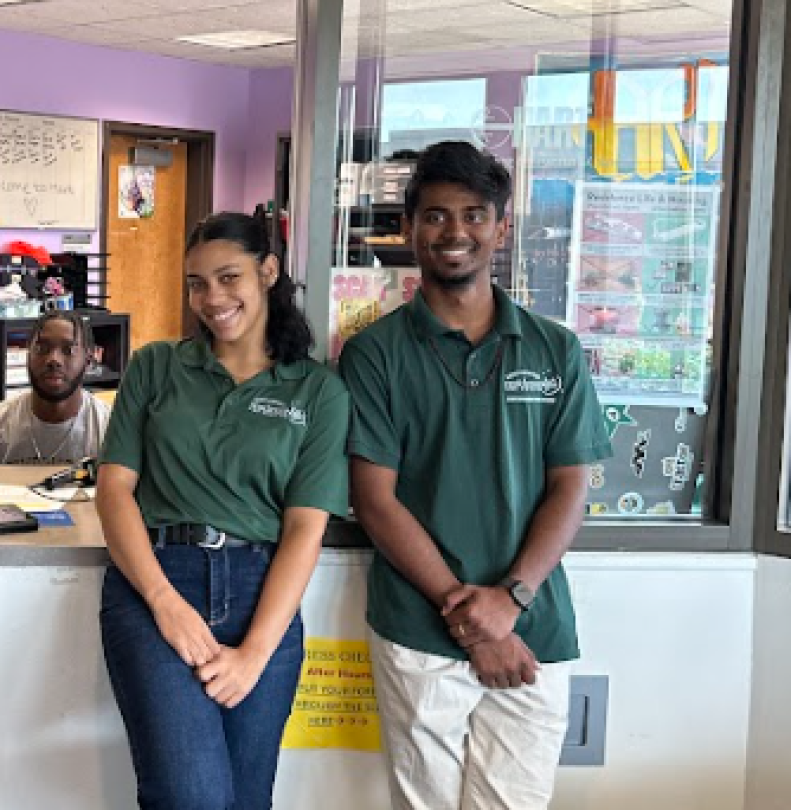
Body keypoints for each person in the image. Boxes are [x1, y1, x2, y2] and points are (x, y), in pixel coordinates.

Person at [338, 141, 612, 810]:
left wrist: (510, 601)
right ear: (408, 228)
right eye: (434, 215)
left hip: (535, 629)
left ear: (501, 227)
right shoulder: (374, 354)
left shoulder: (555, 349)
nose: (454, 232)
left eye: (473, 214)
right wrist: (474, 620)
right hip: (420, 631)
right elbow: (375, 502)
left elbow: (570, 486)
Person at [96, 212, 350, 810]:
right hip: (158, 581)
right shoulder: (156, 367)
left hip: (264, 594)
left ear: (268, 271)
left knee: (246, 799)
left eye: (228, 277)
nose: (211, 298)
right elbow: (113, 492)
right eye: (196, 283)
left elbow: (305, 526)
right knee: (192, 795)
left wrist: (256, 651)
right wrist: (164, 602)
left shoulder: (317, 392)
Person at [0, 309, 112, 465]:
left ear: (88, 361)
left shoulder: (110, 429)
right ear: (27, 355)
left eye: (68, 350)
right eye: (42, 349)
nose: (53, 359)